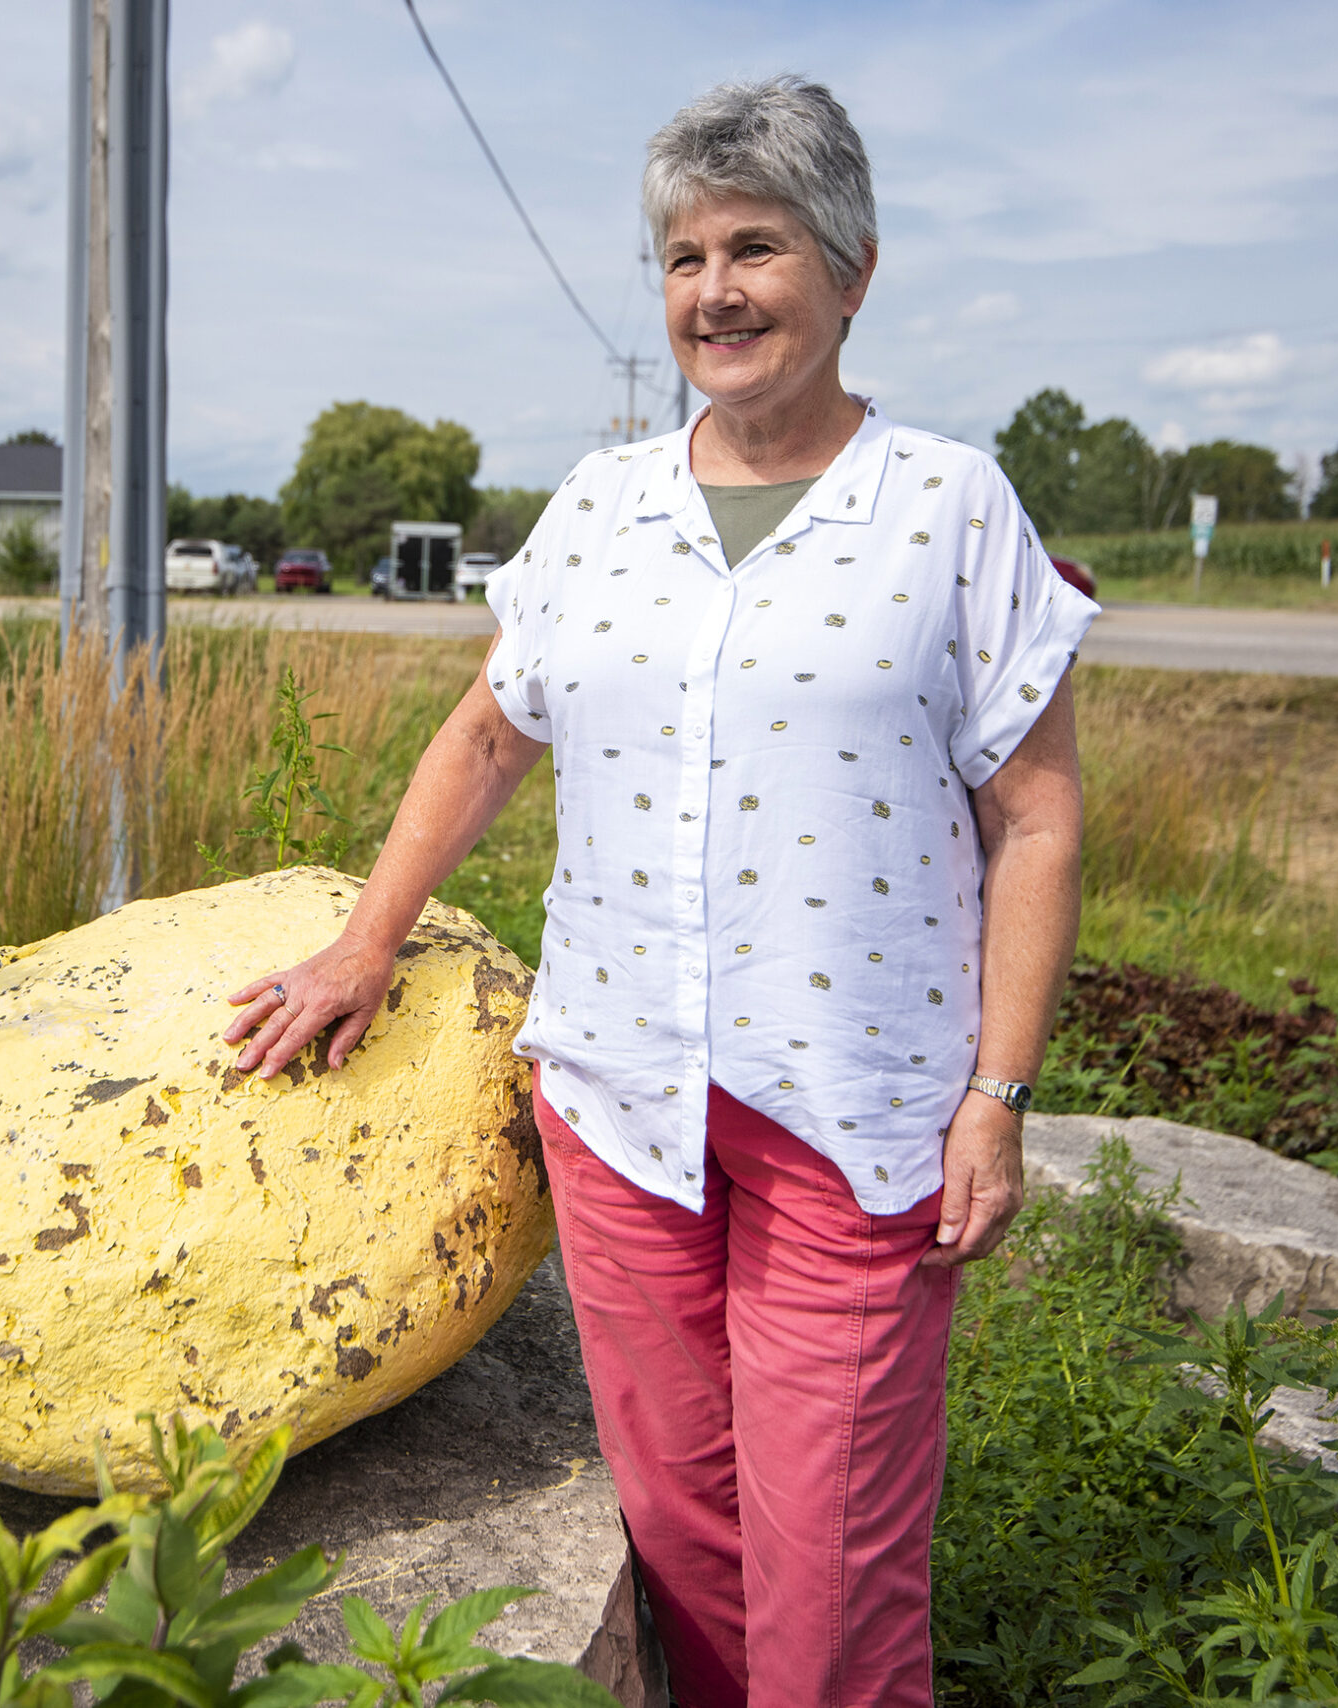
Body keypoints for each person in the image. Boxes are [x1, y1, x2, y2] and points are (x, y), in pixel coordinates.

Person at [223, 73, 1092, 1708]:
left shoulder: (952, 508)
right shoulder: (600, 509)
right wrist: (361, 942)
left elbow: (1036, 824)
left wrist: (998, 1094)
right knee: (687, 1530)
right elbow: (487, 736)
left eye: (756, 248)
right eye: (684, 258)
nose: (717, 293)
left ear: (852, 269)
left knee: (831, 1573)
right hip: (621, 1103)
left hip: (855, 1116)